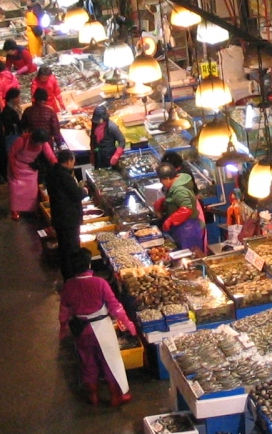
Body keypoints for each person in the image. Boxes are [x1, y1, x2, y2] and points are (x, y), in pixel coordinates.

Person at [58, 249, 136, 406]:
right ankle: (115, 397)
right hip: (101, 329)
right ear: (88, 264)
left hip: (81, 329)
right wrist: (129, 324)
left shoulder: (68, 286)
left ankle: (93, 397)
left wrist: (63, 327)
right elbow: (115, 307)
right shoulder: (100, 283)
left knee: (88, 363)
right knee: (110, 362)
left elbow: (64, 310)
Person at [44, 147, 87, 277]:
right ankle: (73, 277)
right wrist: (84, 191)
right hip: (68, 220)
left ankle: (67, 277)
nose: (74, 164)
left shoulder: (52, 172)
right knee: (71, 249)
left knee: (63, 249)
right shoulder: (64, 176)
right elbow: (76, 194)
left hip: (58, 217)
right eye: (73, 161)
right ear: (68, 161)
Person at [155, 162, 205, 254]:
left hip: (188, 228)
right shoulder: (176, 185)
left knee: (191, 255)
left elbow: (186, 209)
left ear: (168, 179)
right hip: (183, 227)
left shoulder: (179, 190)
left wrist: (170, 220)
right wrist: (165, 201)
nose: (161, 183)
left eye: (162, 180)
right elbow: (178, 199)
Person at [7, 128, 49, 220]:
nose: (41, 145)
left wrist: (57, 164)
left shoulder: (43, 142)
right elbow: (11, 155)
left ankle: (32, 209)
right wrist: (13, 169)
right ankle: (15, 210)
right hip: (18, 166)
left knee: (32, 190)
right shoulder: (21, 140)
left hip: (31, 168)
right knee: (15, 190)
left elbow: (50, 155)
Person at [22, 87, 61, 162]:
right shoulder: (50, 111)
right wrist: (59, 144)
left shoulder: (28, 110)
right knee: (48, 161)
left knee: (34, 163)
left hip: (33, 143)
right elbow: (56, 130)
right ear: (46, 98)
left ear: (35, 98)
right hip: (47, 142)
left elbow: (23, 127)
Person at [88, 104, 126, 169]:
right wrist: (92, 153)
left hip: (109, 156)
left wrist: (117, 154)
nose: (97, 122)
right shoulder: (95, 124)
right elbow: (93, 139)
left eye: (99, 120)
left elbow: (122, 141)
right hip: (97, 152)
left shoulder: (112, 127)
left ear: (104, 117)